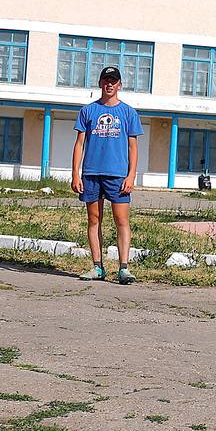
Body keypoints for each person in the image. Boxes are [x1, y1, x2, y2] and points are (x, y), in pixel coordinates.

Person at [71, 66, 144, 284]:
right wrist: (76, 174)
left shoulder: (129, 113)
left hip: (118, 176)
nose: (109, 84)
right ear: (101, 83)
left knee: (121, 220)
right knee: (94, 219)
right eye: (106, 80)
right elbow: (79, 144)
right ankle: (97, 267)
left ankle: (123, 268)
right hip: (92, 174)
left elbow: (133, 147)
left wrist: (131, 176)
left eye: (113, 81)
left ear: (119, 85)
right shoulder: (88, 111)